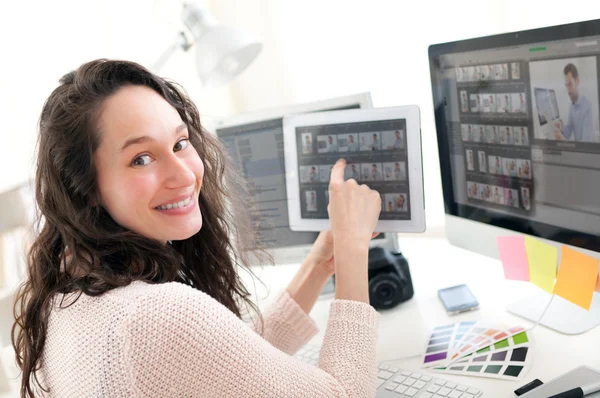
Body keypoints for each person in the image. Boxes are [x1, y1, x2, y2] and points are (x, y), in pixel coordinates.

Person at [11, 59, 383, 397]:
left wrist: (320, 263)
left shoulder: (66, 295)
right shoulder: (154, 316)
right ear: (87, 188)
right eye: (141, 158)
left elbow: (226, 366)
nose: (185, 173)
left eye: (180, 143)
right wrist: (352, 249)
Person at [554, 63, 596, 142]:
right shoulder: (572, 106)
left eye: (570, 84)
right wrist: (561, 125)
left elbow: (585, 145)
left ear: (577, 81)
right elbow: (568, 133)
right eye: (566, 85)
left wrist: (562, 139)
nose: (568, 90)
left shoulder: (587, 107)